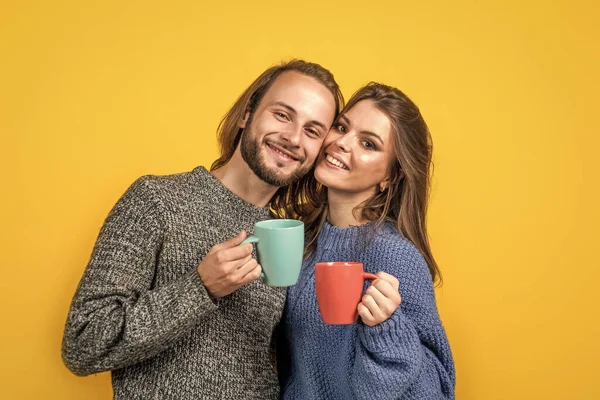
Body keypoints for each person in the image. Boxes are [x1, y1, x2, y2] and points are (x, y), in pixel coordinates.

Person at [61, 59, 343, 400]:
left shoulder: (290, 239)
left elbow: (290, 369)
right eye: (282, 115)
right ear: (247, 114)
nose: (293, 138)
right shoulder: (156, 201)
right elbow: (82, 343)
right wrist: (200, 288)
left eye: (312, 130)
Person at [276, 82, 456, 399]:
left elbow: (437, 392)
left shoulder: (396, 258)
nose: (342, 143)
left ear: (390, 176)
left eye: (368, 144)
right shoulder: (299, 239)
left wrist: (388, 327)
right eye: (341, 126)